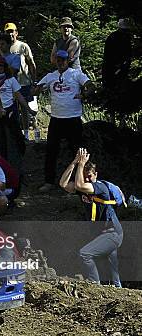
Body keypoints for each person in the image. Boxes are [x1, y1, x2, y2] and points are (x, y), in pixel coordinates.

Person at [59, 148, 124, 287]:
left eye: (90, 176)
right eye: (85, 176)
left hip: (112, 233)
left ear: (96, 175)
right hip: (102, 233)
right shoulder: (82, 188)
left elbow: (79, 184)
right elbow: (63, 184)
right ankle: (118, 291)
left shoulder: (100, 188)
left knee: (85, 254)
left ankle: (95, 287)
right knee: (113, 268)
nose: (88, 179)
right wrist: (75, 162)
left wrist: (82, 164)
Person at [33, 50, 95, 192]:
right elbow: (35, 91)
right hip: (56, 119)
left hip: (73, 119)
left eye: (63, 60)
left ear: (68, 61)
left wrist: (84, 94)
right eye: (58, 60)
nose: (60, 63)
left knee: (78, 151)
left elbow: (91, 86)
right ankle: (49, 181)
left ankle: (82, 181)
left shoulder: (75, 74)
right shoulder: (50, 76)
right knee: (51, 151)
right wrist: (38, 88)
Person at [0, 55, 35, 172]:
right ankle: (1, 167)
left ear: (5, 67)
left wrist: (29, 110)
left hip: (9, 113)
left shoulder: (11, 80)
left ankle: (15, 167)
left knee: (12, 141)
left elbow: (19, 96)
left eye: (1, 65)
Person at [4, 22, 39, 142]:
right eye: (7, 31)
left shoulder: (23, 46)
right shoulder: (3, 47)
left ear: (16, 32)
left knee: (25, 109)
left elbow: (31, 64)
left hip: (24, 82)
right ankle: (15, 134)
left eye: (11, 31)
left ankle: (27, 134)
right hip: (9, 84)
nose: (10, 34)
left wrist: (34, 81)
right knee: (13, 109)